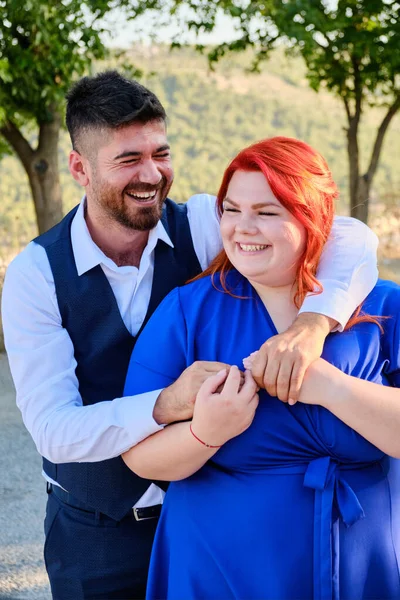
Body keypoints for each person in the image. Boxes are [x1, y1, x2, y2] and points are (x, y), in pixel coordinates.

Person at [1, 69, 378, 600]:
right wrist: (167, 404)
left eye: (161, 153)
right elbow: (54, 430)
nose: (152, 174)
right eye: (128, 159)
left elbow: (348, 234)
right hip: (97, 535)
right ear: (80, 168)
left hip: (204, 521)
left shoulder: (202, 222)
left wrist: (315, 324)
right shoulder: (35, 274)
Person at [122, 137, 400, 600]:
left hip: (364, 568)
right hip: (220, 571)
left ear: (313, 218)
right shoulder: (187, 310)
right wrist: (206, 432)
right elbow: (137, 455)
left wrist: (332, 388)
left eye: (267, 212)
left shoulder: (384, 305)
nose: (242, 229)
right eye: (230, 210)